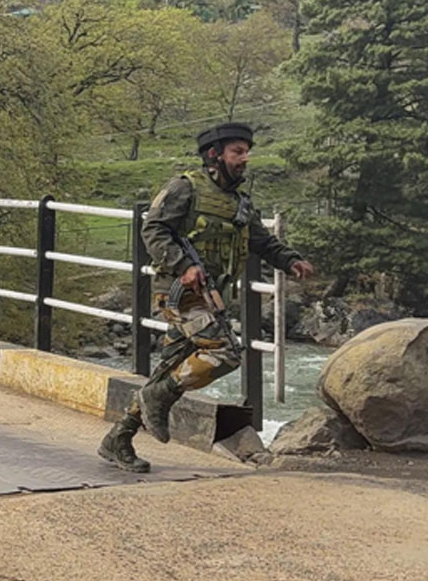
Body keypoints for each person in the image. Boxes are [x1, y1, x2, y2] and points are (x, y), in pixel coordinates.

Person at [99, 123, 315, 473]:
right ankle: (155, 399)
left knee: (172, 370)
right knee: (225, 353)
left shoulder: (240, 202)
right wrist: (183, 264)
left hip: (211, 297)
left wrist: (291, 260)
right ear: (215, 155)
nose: (245, 159)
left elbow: (261, 241)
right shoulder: (185, 188)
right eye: (238, 152)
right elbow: (153, 228)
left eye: (247, 152)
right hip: (178, 295)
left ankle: (118, 438)